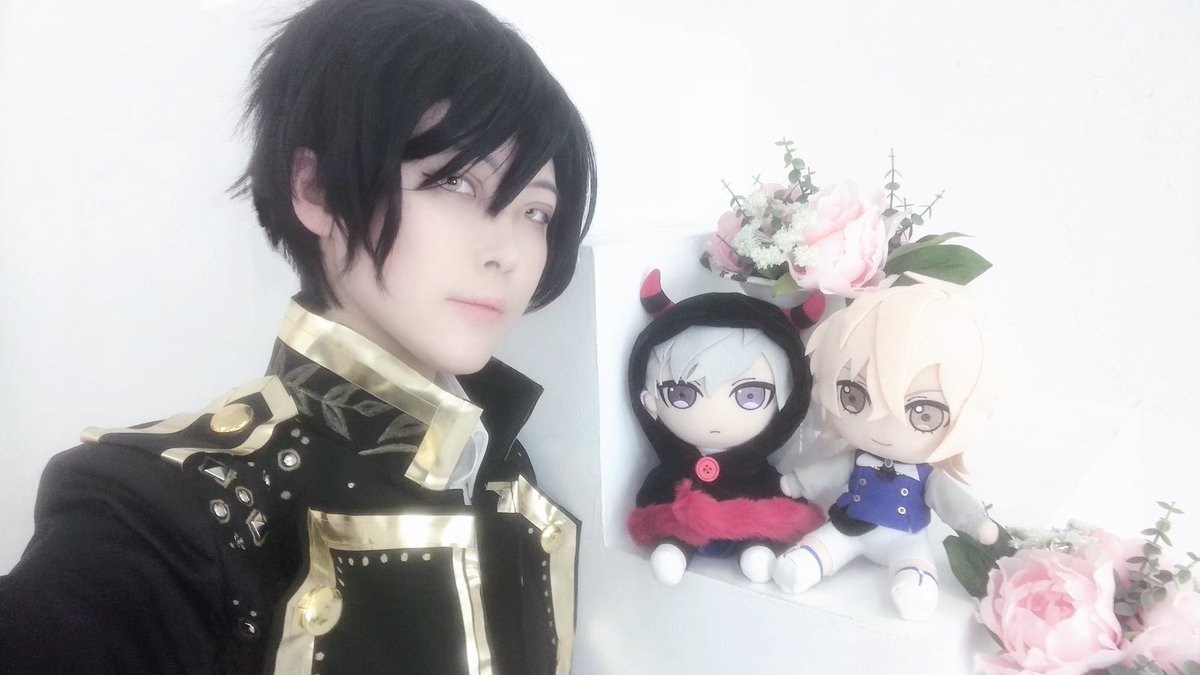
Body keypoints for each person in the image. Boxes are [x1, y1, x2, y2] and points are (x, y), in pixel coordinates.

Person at [0, 0, 596, 672]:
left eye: (535, 210)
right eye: (456, 180)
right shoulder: (168, 509)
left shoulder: (504, 469)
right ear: (316, 188)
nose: (508, 251)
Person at [771, 276, 999, 622]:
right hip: (849, 525)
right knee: (821, 545)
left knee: (915, 562)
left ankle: (915, 584)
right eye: (853, 396)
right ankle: (804, 566)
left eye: (923, 413)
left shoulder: (928, 476)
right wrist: (798, 483)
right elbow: (829, 472)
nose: (881, 424)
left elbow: (952, 502)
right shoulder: (856, 458)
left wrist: (976, 522)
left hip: (906, 538)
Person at [625, 274, 824, 586]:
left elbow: (777, 494)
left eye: (750, 395)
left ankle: (755, 548)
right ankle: (675, 548)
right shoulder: (671, 469)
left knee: (758, 547)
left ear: (786, 403)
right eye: (682, 394)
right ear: (650, 401)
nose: (715, 414)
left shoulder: (757, 472)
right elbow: (653, 497)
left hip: (747, 529)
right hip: (684, 529)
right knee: (672, 539)